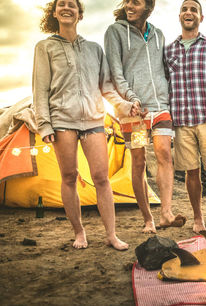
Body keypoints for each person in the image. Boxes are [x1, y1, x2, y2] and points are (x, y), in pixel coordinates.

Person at [33, 0, 129, 250]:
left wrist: (124, 105)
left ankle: (111, 235)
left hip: (94, 120)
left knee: (101, 178)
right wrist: (44, 126)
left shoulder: (95, 49)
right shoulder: (45, 47)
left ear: (79, 13)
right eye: (61, 5)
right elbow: (40, 89)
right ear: (54, 13)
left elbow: (106, 87)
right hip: (62, 120)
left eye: (72, 5)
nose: (67, 8)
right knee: (69, 176)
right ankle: (79, 232)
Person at [104, 0, 185, 233]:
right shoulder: (115, 32)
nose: (130, 6)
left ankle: (166, 213)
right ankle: (148, 218)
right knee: (138, 161)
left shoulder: (158, 34)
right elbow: (115, 71)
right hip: (133, 111)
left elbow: (163, 69)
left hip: (160, 107)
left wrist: (169, 96)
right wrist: (130, 98)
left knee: (164, 153)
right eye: (127, 1)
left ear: (148, 7)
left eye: (136, 3)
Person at [164, 0, 206, 233]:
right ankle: (198, 217)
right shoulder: (169, 50)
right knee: (191, 171)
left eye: (194, 9)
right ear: (179, 16)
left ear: (201, 18)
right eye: (184, 9)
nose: (188, 12)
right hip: (181, 121)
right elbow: (164, 85)